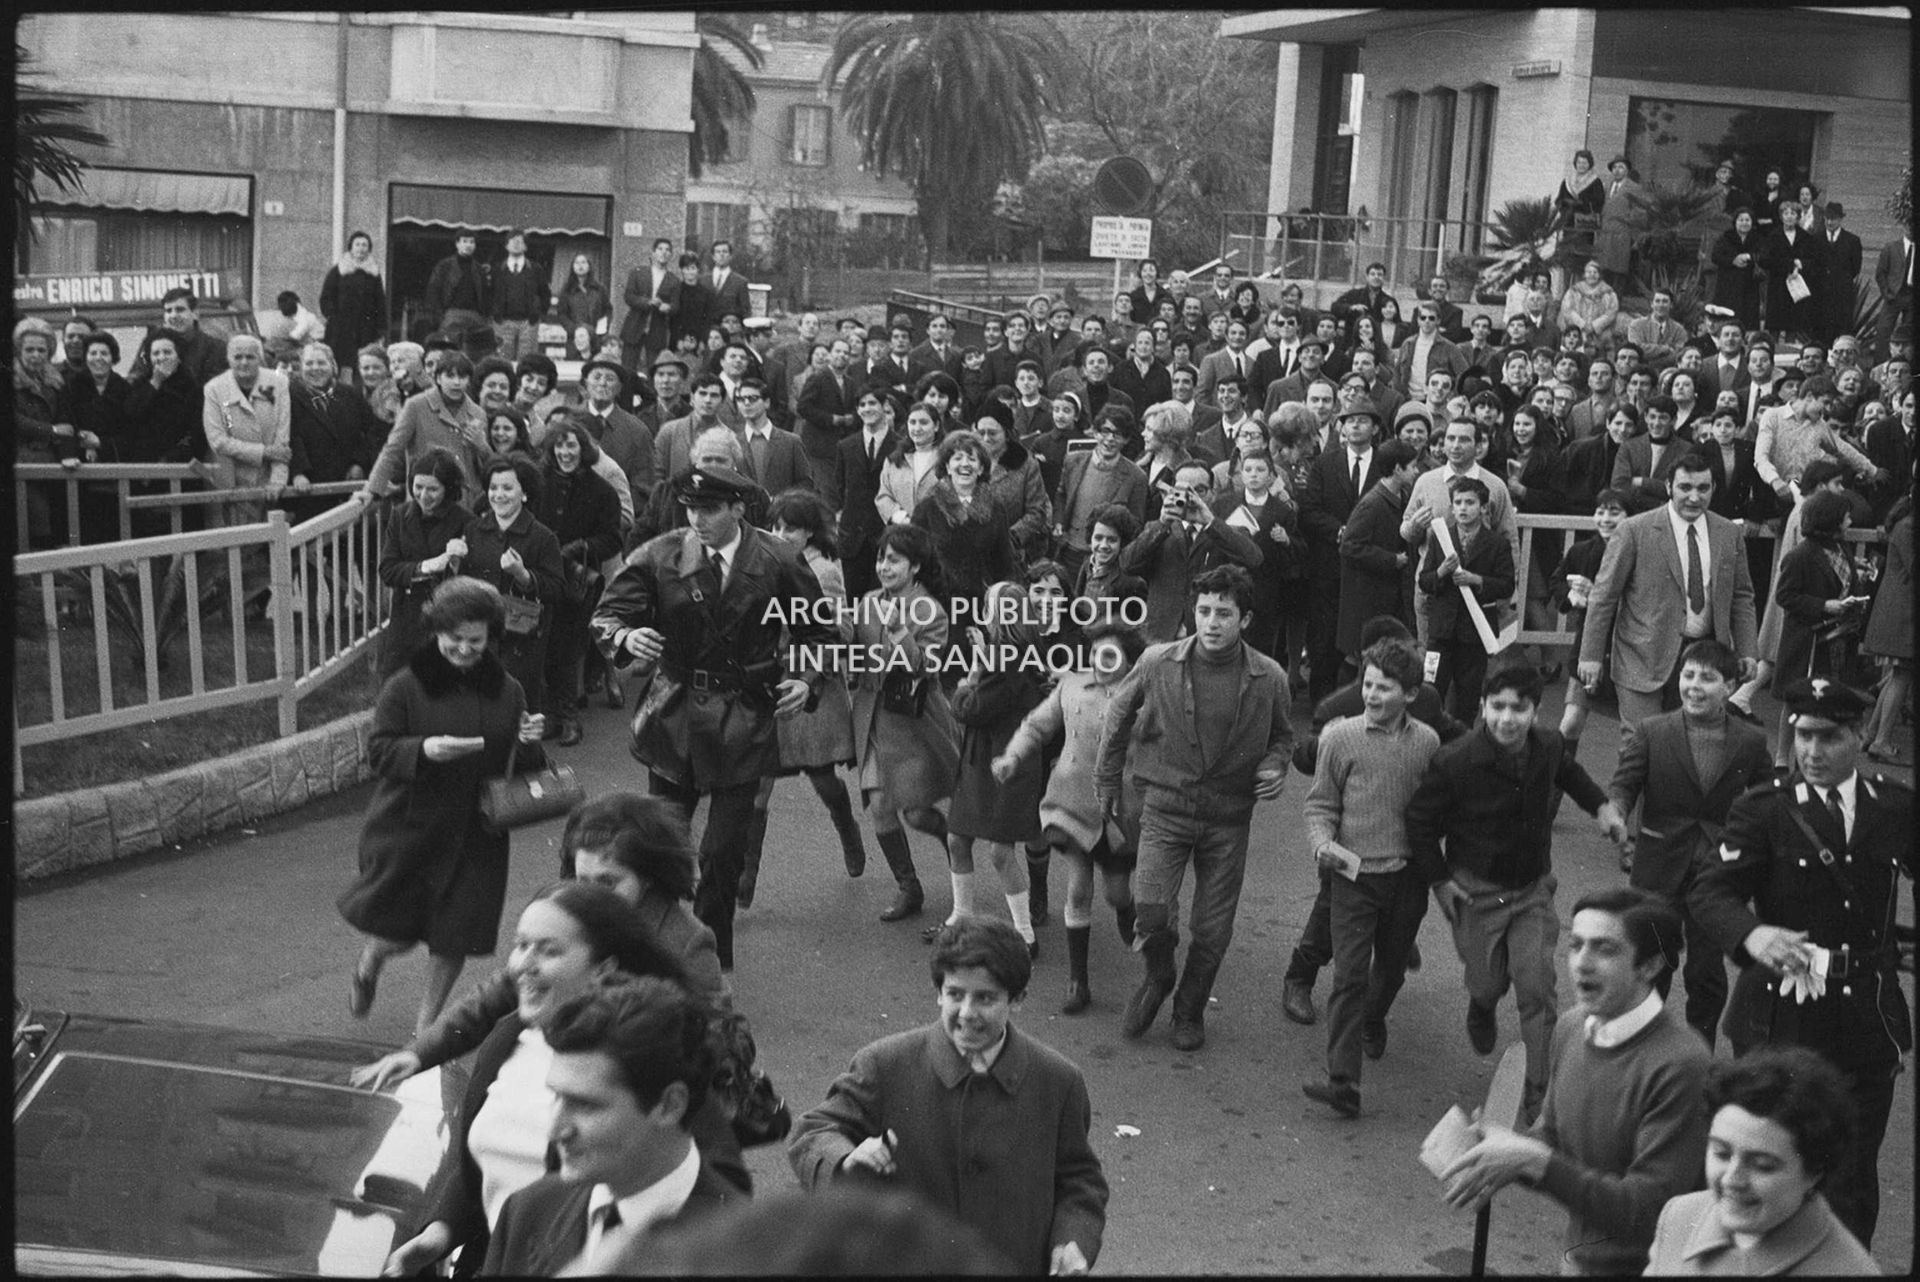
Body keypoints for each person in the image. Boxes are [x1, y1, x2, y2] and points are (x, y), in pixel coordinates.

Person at [381, 881, 741, 1276]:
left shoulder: (733, 1248)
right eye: (521, 945)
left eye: (549, 950)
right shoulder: (529, 1207)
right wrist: (441, 1230)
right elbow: (477, 1167)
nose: (522, 964)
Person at [593, 464, 833, 969]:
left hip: (744, 715)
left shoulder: (777, 558)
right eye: (690, 509)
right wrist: (625, 637)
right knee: (662, 844)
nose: (697, 519)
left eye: (709, 509)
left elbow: (821, 635)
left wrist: (804, 680)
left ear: (738, 510)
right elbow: (607, 614)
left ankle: (710, 956)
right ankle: (654, 949)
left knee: (722, 853)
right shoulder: (661, 554)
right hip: (675, 712)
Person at [349, 790, 736, 1094]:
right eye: (580, 880)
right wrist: (418, 1054)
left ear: (648, 877)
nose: (591, 896)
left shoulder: (687, 943)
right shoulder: (566, 915)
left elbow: (713, 1049)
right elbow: (493, 996)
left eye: (608, 882)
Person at [788, 916, 1108, 1276]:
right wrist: (845, 1159)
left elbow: (1080, 1180)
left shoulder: (1058, 1081)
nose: (967, 1013)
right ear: (939, 992)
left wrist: (1073, 1241)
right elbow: (813, 1132)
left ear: (1017, 1000)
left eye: (985, 998)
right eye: (955, 994)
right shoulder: (885, 1064)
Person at [1439, 887, 1712, 1276]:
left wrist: (1534, 1161)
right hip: (1579, 1262)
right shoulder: (1571, 1028)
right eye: (1576, 945)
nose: (1582, 963)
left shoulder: (1682, 1064)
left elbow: (1647, 1212)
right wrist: (1501, 1150)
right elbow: (1553, 1139)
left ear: (1650, 966)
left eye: (1605, 949)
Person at [1407, 658, 1629, 1119]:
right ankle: (1482, 1004)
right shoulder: (1455, 761)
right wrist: (1440, 883)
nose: (1508, 719)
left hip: (1530, 891)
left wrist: (1602, 807)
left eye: (1520, 708)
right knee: (1487, 981)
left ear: (1536, 710)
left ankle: (1537, 1087)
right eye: (1498, 707)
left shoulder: (1547, 746)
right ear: (1483, 706)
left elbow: (1570, 773)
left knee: (1537, 987)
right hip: (1474, 892)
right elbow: (1420, 824)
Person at [337, 577, 547, 1033]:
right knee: (397, 934)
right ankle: (371, 961)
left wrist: (530, 742)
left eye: (476, 640)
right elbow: (379, 752)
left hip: (477, 834)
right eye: (455, 639)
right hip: (411, 828)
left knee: (454, 938)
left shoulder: (508, 690)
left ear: (492, 637)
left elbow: (523, 765)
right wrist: (423, 750)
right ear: (436, 632)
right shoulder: (405, 687)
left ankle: (424, 1033)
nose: (466, 649)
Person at [1098, 565, 1295, 1050]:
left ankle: (1189, 1008)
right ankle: (1159, 975)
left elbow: (1283, 737)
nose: (1211, 622)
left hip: (1227, 817)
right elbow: (1117, 715)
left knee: (1212, 928)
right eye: (1204, 610)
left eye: (1223, 613)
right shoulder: (1157, 661)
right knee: (1150, 911)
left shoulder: (1269, 677)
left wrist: (1275, 766)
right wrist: (1106, 778)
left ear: (1244, 619)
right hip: (1165, 805)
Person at [479, 975, 739, 1275]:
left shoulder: (748, 1254)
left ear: (669, 1105)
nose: (555, 1130)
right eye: (556, 1097)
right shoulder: (528, 1211)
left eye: (585, 1105)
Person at [1297, 639, 1442, 1118]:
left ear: (1412, 694)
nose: (1373, 695)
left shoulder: (1427, 742)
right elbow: (1320, 804)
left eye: (1385, 688)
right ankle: (1343, 1081)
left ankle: (1374, 1019)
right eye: (1367, 685)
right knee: (1349, 976)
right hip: (1352, 876)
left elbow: (1435, 807)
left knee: (1391, 968)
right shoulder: (1339, 739)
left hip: (1407, 879)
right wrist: (1322, 844)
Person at [1608, 638, 1773, 1044]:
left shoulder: (1749, 742)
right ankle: (1644, 1048)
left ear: (1731, 685)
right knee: (1653, 965)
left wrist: (1759, 848)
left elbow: (1768, 799)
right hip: (1659, 867)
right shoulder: (1652, 731)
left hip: (1715, 875)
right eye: (1688, 675)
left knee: (1706, 975)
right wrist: (1615, 812)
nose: (1695, 686)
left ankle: (1699, 1051)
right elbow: (1624, 784)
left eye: (1709, 678)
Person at [996, 622, 1143, 1013]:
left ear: (1130, 662)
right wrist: (1013, 756)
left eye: (1110, 654)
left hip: (1119, 813)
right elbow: (1038, 726)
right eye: (1094, 652)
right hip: (1071, 803)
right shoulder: (1072, 686)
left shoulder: (1143, 696)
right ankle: (1079, 982)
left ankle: (1126, 907)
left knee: (1115, 893)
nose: (1099, 660)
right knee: (1078, 888)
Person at [735, 488, 866, 902]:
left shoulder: (824, 570)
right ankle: (746, 878)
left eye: (789, 527)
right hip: (769, 677)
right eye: (774, 526)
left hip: (811, 679)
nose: (779, 533)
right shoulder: (762, 560)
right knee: (760, 782)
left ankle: (846, 827)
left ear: (809, 533)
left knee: (822, 775)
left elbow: (840, 630)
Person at [1646, 1047, 1880, 1275]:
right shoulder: (1680, 1217)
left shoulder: (1848, 1270)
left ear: (1814, 1173)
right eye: (1722, 1153)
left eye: (1762, 1166)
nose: (1732, 1179)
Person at [1579, 450, 1760, 730]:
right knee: (1640, 743)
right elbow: (1604, 596)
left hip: (1705, 657)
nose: (1694, 497)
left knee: (1693, 745)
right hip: (1641, 657)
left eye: (1702, 488)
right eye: (1685, 487)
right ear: (1668, 487)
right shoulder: (1634, 530)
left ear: (1713, 488)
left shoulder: (1728, 533)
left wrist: (1748, 649)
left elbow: (1742, 596)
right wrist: (1590, 656)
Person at [843, 523, 959, 923]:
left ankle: (952, 840)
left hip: (913, 722)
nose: (883, 567)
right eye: (880, 558)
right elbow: (850, 649)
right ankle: (909, 886)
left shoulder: (932, 610)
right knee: (879, 806)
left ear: (915, 567)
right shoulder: (869, 601)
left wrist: (898, 629)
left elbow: (925, 666)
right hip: (872, 716)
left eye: (893, 560)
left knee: (916, 814)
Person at [532, 419, 622, 747]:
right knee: (537, 646)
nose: (565, 452)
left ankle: (569, 717)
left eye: (571, 446)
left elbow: (612, 538)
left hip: (576, 580)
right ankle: (549, 716)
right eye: (559, 446)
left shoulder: (601, 490)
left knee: (566, 648)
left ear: (583, 449)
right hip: (538, 575)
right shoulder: (537, 481)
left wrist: (583, 546)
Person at [1122, 458, 1264, 646]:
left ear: (1213, 494)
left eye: (1200, 490)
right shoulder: (1158, 529)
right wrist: (1163, 523)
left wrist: (1210, 523)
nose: (1191, 498)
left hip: (1208, 636)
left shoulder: (1228, 532)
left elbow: (1254, 559)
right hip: (1161, 636)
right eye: (1183, 491)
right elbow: (1127, 564)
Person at [1304, 398, 1393, 696]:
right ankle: (1321, 705)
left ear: (1376, 427)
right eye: (1349, 420)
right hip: (1330, 564)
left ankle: (1364, 700)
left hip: (1370, 567)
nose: (1355, 425)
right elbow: (1311, 510)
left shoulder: (1386, 465)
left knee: (1366, 640)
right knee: (1324, 637)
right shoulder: (1325, 463)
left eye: (1363, 420)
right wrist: (1340, 531)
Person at [1418, 474, 1516, 718]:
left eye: (1470, 503)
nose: (1463, 508)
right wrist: (1441, 572)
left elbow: (1506, 586)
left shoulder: (1496, 543)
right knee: (1431, 692)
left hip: (1475, 632)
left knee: (1468, 697)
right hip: (1441, 631)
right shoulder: (1440, 537)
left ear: (1483, 508)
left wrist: (1477, 580)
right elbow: (1424, 580)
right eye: (1458, 502)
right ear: (1452, 506)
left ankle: (1463, 746)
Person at [376, 450, 475, 679]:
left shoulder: (465, 522)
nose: (423, 496)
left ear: (449, 489)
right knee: (396, 686)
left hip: (446, 618)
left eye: (432, 489)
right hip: (406, 619)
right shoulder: (400, 515)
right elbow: (387, 570)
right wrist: (430, 565)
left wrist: (457, 562)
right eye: (418, 487)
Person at [912, 430, 1016, 626]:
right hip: (938, 608)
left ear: (981, 468)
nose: (965, 464)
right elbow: (914, 561)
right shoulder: (927, 508)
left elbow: (1004, 562)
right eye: (957, 458)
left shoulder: (996, 508)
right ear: (947, 467)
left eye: (972, 459)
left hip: (982, 606)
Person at [1335, 438, 1420, 665]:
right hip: (1366, 598)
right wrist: (1392, 559)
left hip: (1384, 596)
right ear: (1397, 469)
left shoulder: (1399, 498)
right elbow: (1350, 546)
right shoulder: (1372, 504)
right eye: (1412, 466)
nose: (1416, 471)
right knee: (1359, 660)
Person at [361, 350, 489, 502]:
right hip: (423, 502)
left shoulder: (477, 413)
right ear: (438, 378)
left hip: (464, 505)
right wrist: (373, 490)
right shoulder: (416, 406)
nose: (456, 382)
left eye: (462, 377)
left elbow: (486, 466)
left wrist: (482, 446)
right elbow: (392, 450)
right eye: (450, 376)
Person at [201, 333, 292, 534]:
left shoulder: (279, 383)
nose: (244, 362)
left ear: (259, 358)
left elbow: (282, 437)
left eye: (250, 357)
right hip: (230, 479)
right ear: (228, 359)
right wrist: (264, 452)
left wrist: (278, 480)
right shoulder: (214, 389)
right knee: (233, 541)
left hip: (268, 478)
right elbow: (217, 440)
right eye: (237, 357)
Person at [1859, 507, 1911, 764]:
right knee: (1902, 674)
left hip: (1900, 610)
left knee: (1898, 674)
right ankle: (1881, 741)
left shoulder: (1905, 524)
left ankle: (1872, 735)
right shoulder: (1910, 527)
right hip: (1904, 612)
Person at [127, 287, 230, 387]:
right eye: (168, 311)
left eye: (180, 310)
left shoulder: (216, 348)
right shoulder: (151, 344)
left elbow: (214, 390)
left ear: (195, 314)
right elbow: (134, 380)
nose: (173, 316)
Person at [320, 230, 388, 375]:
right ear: (351, 247)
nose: (361, 248)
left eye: (365, 245)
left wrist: (380, 328)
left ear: (369, 249)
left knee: (362, 363)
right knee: (337, 363)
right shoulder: (338, 271)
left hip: (365, 328)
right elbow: (326, 296)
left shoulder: (373, 275)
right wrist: (333, 317)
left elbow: (380, 302)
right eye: (358, 244)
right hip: (340, 327)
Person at [1762, 199, 1824, 343]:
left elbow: (1814, 261)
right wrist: (1791, 265)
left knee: (1793, 327)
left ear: (1798, 216)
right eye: (1786, 213)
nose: (1789, 216)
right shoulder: (1773, 236)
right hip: (1778, 285)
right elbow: (1766, 260)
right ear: (1781, 216)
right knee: (1775, 328)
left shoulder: (1806, 238)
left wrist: (1801, 264)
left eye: (1793, 213)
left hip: (1797, 287)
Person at [619, 238, 680, 370]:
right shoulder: (638, 273)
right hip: (634, 326)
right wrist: (648, 302)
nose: (664, 253)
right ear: (653, 252)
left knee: (655, 369)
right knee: (627, 368)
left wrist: (668, 308)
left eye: (667, 250)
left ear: (671, 255)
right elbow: (629, 297)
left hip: (657, 330)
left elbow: (675, 306)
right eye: (660, 249)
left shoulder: (674, 280)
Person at [423, 232, 490, 338]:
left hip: (475, 317)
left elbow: (486, 296)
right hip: (451, 315)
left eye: (472, 242)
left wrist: (483, 316)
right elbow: (433, 292)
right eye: (464, 241)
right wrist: (440, 317)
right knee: (450, 349)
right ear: (457, 244)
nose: (468, 245)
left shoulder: (478, 269)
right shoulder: (444, 266)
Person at [1711, 211, 1767, 333]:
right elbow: (1715, 256)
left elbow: (1765, 256)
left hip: (1750, 286)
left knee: (1749, 320)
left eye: (1747, 220)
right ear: (1735, 222)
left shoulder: (1758, 239)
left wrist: (1750, 257)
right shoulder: (1726, 238)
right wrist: (1733, 261)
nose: (1744, 223)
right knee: (1728, 320)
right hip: (1728, 286)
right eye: (1741, 220)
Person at [1594, 156, 1645, 288]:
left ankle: (1616, 302)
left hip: (1622, 234)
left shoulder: (1634, 188)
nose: (1617, 170)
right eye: (1615, 167)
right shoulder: (1607, 186)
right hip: (1605, 234)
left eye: (1621, 167)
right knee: (1604, 271)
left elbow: (1639, 213)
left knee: (1619, 271)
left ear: (1627, 170)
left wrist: (1634, 235)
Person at [556, 251, 611, 361]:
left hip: (595, 337)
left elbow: (608, 310)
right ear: (572, 267)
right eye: (577, 263)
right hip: (575, 337)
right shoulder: (567, 290)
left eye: (583, 262)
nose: (580, 266)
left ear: (589, 266)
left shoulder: (599, 289)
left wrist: (602, 328)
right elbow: (562, 314)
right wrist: (574, 329)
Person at [1871, 225, 1912, 364]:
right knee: (1884, 330)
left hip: (1913, 296)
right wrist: (1886, 292)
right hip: (1894, 295)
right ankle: (1880, 365)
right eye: (1909, 226)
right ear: (1904, 228)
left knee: (1908, 333)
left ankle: (1906, 364)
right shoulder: (1891, 247)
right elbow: (1880, 273)